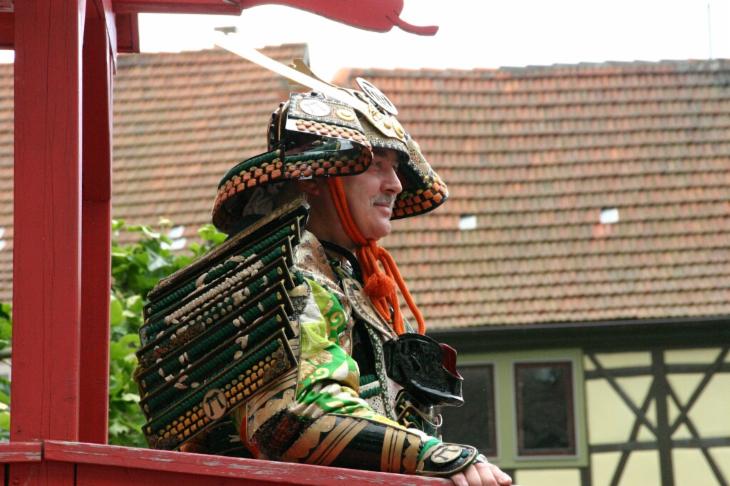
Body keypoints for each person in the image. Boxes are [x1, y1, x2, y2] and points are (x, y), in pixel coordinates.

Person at [137, 81, 512, 486]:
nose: (396, 184)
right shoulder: (281, 271)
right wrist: (432, 455)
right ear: (315, 177)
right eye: (375, 164)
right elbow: (296, 418)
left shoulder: (348, 278)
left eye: (396, 167)